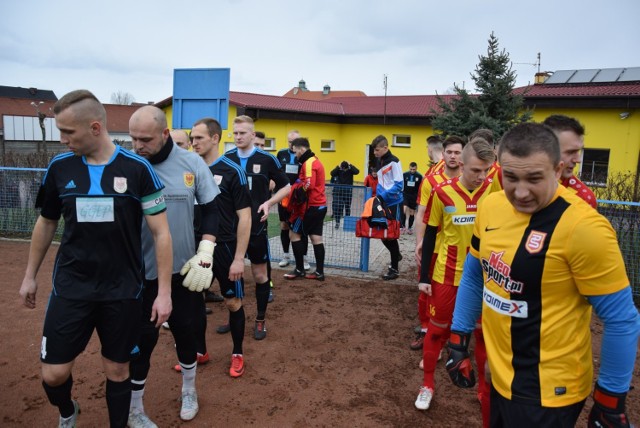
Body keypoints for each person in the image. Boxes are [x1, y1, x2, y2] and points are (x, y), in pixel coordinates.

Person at [447, 123, 640, 427]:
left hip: (550, 391)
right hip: (499, 376)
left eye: (534, 178)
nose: (520, 192)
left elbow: (621, 317)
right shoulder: (491, 206)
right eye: (510, 177)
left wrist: (610, 400)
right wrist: (458, 338)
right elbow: (474, 274)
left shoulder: (585, 227)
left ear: (558, 168)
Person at [18, 90, 173, 428]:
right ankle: (66, 410)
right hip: (72, 286)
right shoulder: (59, 168)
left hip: (122, 289)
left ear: (95, 128)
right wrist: (30, 275)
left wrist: (163, 293)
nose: (62, 140)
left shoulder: (138, 170)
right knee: (54, 373)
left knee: (118, 369)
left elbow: (162, 234)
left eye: (68, 132)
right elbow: (45, 223)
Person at [128, 106, 220, 424]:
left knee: (187, 333)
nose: (138, 145)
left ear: (165, 134)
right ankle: (136, 406)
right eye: (133, 138)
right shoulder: (128, 166)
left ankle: (189, 389)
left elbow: (211, 208)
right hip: (138, 274)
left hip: (184, 270)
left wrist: (206, 249)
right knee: (141, 341)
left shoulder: (191, 163)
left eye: (145, 139)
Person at [414, 138, 495, 412]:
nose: (481, 176)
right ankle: (427, 386)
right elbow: (432, 234)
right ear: (462, 164)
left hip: (483, 279)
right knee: (437, 331)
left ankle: (484, 392)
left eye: (486, 170)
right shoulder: (442, 192)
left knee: (482, 337)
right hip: (446, 275)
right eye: (476, 170)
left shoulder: (493, 193)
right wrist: (424, 277)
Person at [191, 117, 252, 377]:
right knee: (193, 303)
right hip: (194, 246)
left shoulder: (232, 170)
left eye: (199, 138)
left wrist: (239, 258)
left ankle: (237, 353)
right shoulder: (187, 168)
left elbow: (245, 217)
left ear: (215, 138)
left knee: (232, 303)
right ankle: (199, 351)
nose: (194, 143)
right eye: (192, 138)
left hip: (225, 248)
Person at [225, 115, 290, 340]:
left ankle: (260, 320)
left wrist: (269, 203)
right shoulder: (227, 158)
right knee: (233, 274)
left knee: (260, 274)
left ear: (253, 135)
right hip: (231, 228)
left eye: (243, 133)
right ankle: (234, 317)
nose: (239, 137)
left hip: (256, 228)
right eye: (236, 133)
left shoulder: (267, 159)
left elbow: (287, 187)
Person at [411, 136, 464, 353]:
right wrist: (419, 243)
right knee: (426, 290)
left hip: (460, 250)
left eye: (457, 152)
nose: (452, 156)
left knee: (459, 294)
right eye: (449, 152)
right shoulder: (431, 180)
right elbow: (421, 212)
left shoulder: (471, 181)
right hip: (433, 247)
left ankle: (454, 338)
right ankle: (426, 331)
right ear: (443, 154)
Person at [283, 137, 328, 281]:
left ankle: (299, 269)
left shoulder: (308, 162)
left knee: (294, 235)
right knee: (316, 238)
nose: (295, 155)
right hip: (320, 205)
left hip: (309, 208)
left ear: (301, 149)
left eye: (295, 151)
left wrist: (296, 192)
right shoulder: (315, 160)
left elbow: (309, 184)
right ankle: (319, 272)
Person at [543, 114, 598, 208]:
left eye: (579, 151)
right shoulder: (514, 184)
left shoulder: (583, 198)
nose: (578, 160)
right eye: (570, 152)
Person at [276, 130, 310, 270]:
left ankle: (304, 258)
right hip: (283, 197)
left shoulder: (304, 156)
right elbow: (276, 172)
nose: (292, 145)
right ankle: (285, 256)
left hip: (298, 198)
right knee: (284, 226)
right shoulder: (281, 153)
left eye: (294, 142)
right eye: (290, 142)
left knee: (300, 228)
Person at [371, 135, 403, 280]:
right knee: (382, 234)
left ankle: (394, 269)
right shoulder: (378, 161)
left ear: (385, 148)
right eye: (374, 150)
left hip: (393, 203)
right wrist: (378, 197)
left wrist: (383, 196)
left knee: (391, 236)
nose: (374, 153)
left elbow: (399, 185)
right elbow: (380, 182)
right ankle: (396, 255)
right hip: (381, 202)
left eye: (377, 150)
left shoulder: (395, 161)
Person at [330, 160, 360, 229]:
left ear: (347, 167)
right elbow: (332, 173)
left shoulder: (350, 171)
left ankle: (347, 223)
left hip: (348, 192)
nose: (344, 170)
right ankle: (337, 222)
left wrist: (351, 165)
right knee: (338, 207)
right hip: (338, 193)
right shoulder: (338, 170)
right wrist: (338, 167)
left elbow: (357, 171)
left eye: (345, 168)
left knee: (347, 207)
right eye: (342, 168)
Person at [401, 162, 422, 234]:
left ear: (416, 168)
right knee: (403, 209)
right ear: (409, 168)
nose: (412, 171)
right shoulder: (405, 175)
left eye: (414, 169)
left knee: (412, 212)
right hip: (405, 194)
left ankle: (409, 228)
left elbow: (420, 187)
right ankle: (403, 227)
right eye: (411, 169)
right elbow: (401, 184)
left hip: (414, 196)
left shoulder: (419, 176)